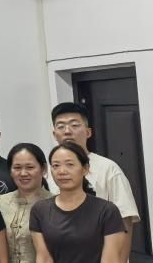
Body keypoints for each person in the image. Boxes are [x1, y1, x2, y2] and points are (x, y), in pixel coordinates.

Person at [31, 142, 127, 263]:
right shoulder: (40, 210)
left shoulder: (106, 211)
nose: (62, 171)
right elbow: (44, 260)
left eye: (70, 164)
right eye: (56, 165)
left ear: (85, 169)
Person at [50, 102, 140, 246]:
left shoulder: (108, 168)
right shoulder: (52, 171)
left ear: (88, 132)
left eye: (74, 125)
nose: (67, 131)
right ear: (54, 134)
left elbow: (125, 218)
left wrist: (120, 259)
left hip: (102, 254)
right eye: (61, 126)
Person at [0, 143, 53, 263]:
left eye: (30, 167)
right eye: (17, 168)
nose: (23, 173)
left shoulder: (55, 204)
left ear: (43, 169)